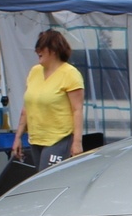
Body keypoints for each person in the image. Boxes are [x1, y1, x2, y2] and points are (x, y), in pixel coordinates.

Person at [11, 30, 84, 170]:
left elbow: (77, 109)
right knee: (40, 177)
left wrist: (77, 142)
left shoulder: (70, 74)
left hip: (59, 138)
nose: (37, 51)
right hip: (36, 139)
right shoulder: (34, 71)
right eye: (37, 48)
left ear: (54, 50)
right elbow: (27, 107)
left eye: (41, 47)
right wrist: (18, 137)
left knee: (48, 177)